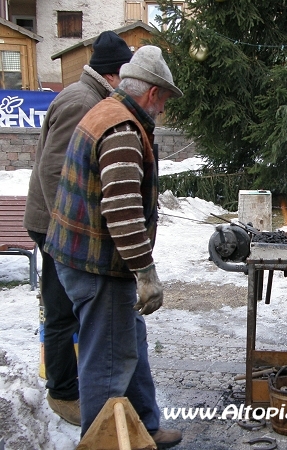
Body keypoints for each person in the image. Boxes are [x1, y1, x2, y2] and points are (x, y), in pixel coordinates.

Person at [44, 45, 183, 447]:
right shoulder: (121, 129)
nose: (165, 108)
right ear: (154, 93)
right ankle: (101, 441)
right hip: (96, 265)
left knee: (131, 343)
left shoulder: (107, 110)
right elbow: (122, 210)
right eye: (167, 99)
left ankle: (145, 425)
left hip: (92, 258)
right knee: (107, 360)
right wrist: (146, 272)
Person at [23, 30, 134, 426]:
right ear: (115, 73)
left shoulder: (90, 97)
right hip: (54, 225)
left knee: (67, 308)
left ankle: (70, 384)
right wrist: (64, 232)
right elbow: (53, 169)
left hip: (59, 224)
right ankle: (63, 392)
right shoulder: (81, 101)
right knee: (60, 312)